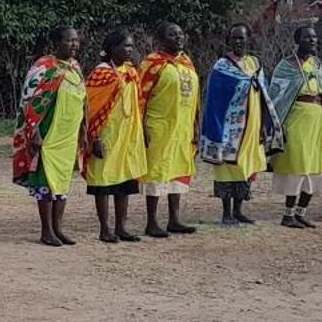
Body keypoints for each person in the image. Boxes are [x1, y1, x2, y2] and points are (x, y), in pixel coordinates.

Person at [11, 26, 86, 246]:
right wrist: (33, 131)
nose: (74, 45)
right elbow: (29, 100)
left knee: (62, 180)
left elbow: (84, 100)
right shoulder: (43, 67)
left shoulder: (75, 67)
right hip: (47, 134)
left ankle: (58, 228)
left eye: (76, 40)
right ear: (56, 43)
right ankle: (46, 231)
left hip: (68, 135)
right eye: (68, 41)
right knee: (45, 179)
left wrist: (83, 129)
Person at [200, 23, 278, 227]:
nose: (238, 41)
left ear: (248, 40)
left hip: (251, 123)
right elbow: (214, 100)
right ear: (228, 40)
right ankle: (226, 212)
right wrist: (215, 127)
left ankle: (239, 210)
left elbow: (263, 93)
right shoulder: (222, 67)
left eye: (242, 38)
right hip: (229, 126)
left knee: (246, 165)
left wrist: (263, 122)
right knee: (228, 167)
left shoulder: (254, 63)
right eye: (234, 38)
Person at [138, 23, 200, 237]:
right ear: (161, 39)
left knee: (178, 170)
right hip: (159, 126)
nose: (178, 37)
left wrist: (195, 124)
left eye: (181, 33)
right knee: (157, 171)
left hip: (183, 127)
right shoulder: (152, 63)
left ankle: (175, 219)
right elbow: (141, 97)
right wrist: (141, 125)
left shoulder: (186, 63)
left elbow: (195, 98)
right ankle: (152, 221)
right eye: (172, 34)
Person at [82, 30, 145, 243]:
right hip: (107, 134)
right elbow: (90, 109)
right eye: (125, 46)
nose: (129, 50)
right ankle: (104, 229)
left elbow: (138, 104)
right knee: (103, 182)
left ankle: (121, 227)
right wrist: (95, 138)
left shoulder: (131, 72)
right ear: (112, 48)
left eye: (131, 46)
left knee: (125, 181)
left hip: (127, 135)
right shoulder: (101, 73)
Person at [267, 25, 322, 228]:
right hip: (295, 119)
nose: (312, 40)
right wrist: (279, 125)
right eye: (306, 37)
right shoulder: (286, 66)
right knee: (297, 164)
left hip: (317, 118)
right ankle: (288, 215)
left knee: (314, 166)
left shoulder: (317, 64)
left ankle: (301, 212)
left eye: (314, 37)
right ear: (297, 40)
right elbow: (276, 96)